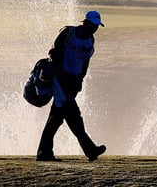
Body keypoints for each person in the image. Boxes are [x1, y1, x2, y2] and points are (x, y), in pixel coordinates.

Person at [36, 10, 107, 162]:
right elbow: (53, 52)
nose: (95, 29)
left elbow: (85, 62)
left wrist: (80, 80)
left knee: (56, 118)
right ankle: (90, 150)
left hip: (73, 82)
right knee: (74, 115)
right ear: (85, 22)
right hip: (60, 80)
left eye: (97, 26)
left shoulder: (91, 40)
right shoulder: (69, 32)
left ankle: (44, 153)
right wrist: (58, 68)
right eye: (93, 25)